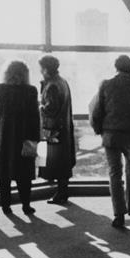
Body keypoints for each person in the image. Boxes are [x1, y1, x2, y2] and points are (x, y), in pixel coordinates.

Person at [89, 55, 130, 228]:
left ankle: (119, 214)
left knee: (114, 173)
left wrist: (98, 129)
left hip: (111, 135)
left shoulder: (106, 84)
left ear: (115, 67)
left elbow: (97, 111)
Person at [0, 61, 40, 216]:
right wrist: (36, 138)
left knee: (4, 174)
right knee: (24, 174)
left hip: (4, 137)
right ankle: (26, 205)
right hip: (25, 136)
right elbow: (35, 117)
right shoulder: (31, 91)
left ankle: (6, 206)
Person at [37, 55, 76, 205]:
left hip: (53, 130)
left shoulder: (52, 85)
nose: (40, 71)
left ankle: (61, 193)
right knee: (62, 163)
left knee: (55, 163)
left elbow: (50, 109)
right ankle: (63, 192)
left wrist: (39, 106)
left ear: (46, 69)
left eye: (41, 68)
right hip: (63, 128)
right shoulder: (63, 82)